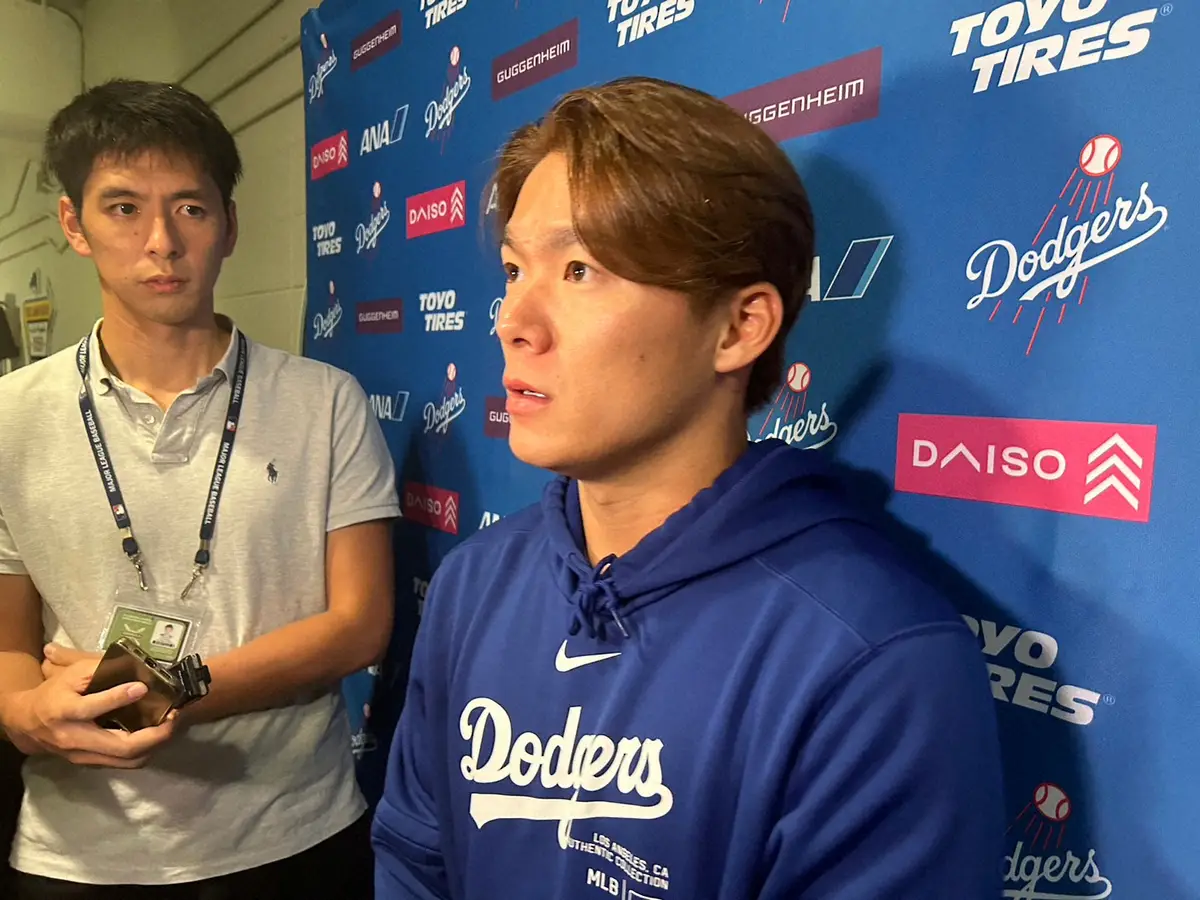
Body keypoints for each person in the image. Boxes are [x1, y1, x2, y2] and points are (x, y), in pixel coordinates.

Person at [371, 76, 1005, 899]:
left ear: (739, 327)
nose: (512, 321)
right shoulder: (472, 585)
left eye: (579, 269)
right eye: (513, 269)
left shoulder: (876, 660)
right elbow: (415, 861)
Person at [0, 79, 400, 898]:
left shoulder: (324, 402)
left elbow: (360, 625)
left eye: (190, 208)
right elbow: (8, 646)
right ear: (73, 224)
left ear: (229, 225)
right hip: (77, 853)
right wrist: (24, 715)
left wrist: (174, 688)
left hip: (293, 833)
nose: (161, 243)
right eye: (122, 208)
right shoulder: (11, 417)